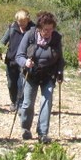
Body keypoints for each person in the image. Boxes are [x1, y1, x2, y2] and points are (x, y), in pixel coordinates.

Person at [15, 11, 65, 143]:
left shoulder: (56, 38)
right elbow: (19, 55)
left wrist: (60, 73)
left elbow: (60, 58)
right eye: (45, 30)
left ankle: (42, 133)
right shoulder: (29, 35)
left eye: (50, 29)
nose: (48, 32)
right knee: (27, 104)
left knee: (46, 102)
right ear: (39, 28)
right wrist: (25, 62)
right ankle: (26, 128)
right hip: (31, 74)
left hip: (48, 74)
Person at [0, 9, 34, 111]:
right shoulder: (12, 28)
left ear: (28, 20)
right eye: (20, 23)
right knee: (11, 84)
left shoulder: (33, 29)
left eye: (24, 23)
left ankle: (19, 103)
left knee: (20, 84)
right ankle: (13, 101)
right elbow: (3, 41)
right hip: (11, 60)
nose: (22, 25)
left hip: (24, 62)